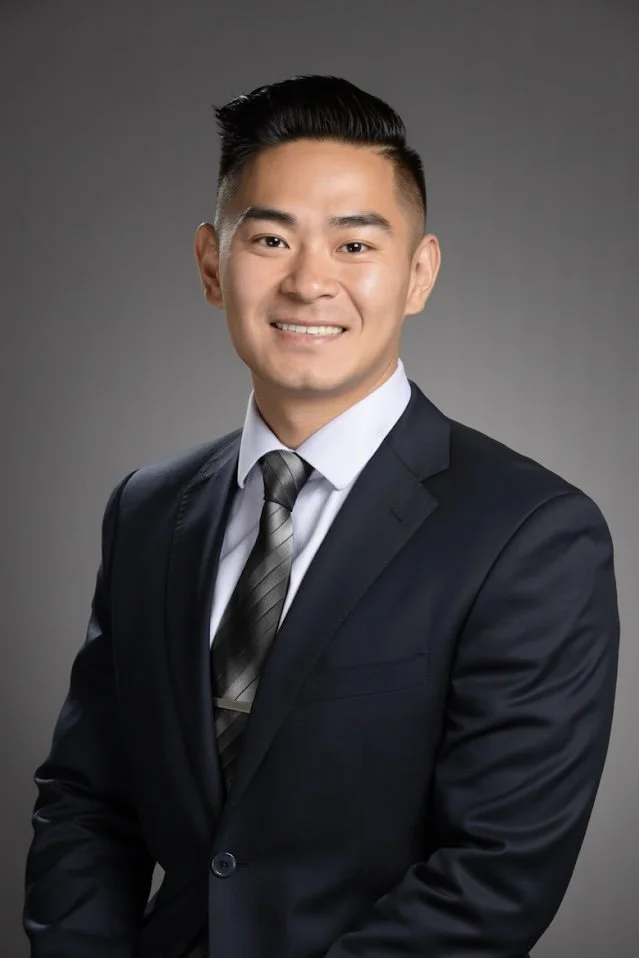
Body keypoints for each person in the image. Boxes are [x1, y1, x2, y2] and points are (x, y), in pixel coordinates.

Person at [23, 74, 620, 958]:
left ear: (417, 274)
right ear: (210, 264)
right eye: (269, 237)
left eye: (353, 245)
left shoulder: (531, 534)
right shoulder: (149, 510)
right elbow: (87, 798)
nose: (309, 282)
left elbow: (495, 874)